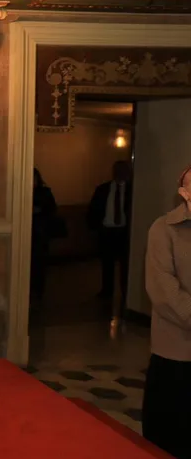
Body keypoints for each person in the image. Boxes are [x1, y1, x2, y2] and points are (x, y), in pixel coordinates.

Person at [142, 164, 191, 459]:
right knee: (172, 438)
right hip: (178, 353)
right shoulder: (164, 229)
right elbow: (164, 292)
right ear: (184, 193)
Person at [87, 161, 132, 310]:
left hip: (124, 231)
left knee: (125, 263)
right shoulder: (103, 189)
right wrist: (95, 228)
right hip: (107, 230)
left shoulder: (132, 190)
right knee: (107, 262)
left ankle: (126, 291)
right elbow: (94, 209)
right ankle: (107, 290)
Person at [30, 168, 58, 300]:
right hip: (28, 233)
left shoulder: (45, 192)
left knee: (39, 263)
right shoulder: (22, 191)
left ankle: (38, 290)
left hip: (40, 233)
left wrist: (39, 210)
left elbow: (52, 209)